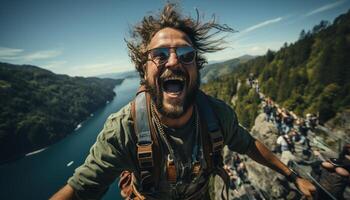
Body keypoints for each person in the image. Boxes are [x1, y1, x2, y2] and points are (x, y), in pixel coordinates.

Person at [50, 4, 315, 200]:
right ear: (144, 70)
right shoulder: (123, 130)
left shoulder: (216, 115)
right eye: (160, 54)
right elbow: (80, 189)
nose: (174, 61)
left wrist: (294, 176)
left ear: (197, 68)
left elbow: (248, 144)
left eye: (187, 54)